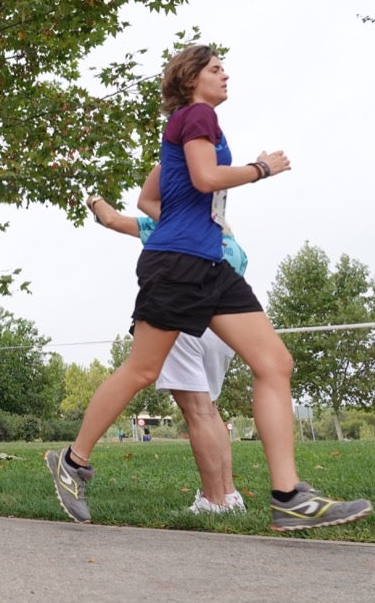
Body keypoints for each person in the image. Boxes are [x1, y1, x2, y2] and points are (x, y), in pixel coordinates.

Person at [46, 44, 372, 531]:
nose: (225, 75)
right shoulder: (197, 115)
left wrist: (182, 219)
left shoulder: (194, 125)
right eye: (216, 68)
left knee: (275, 363)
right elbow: (204, 179)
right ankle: (72, 463)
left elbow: (167, 192)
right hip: (177, 265)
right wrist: (262, 169)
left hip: (212, 265)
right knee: (142, 369)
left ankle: (288, 495)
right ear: (191, 77)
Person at [87, 190, 247, 513]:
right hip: (225, 327)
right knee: (211, 410)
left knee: (197, 412)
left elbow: (112, 219)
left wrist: (93, 199)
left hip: (184, 318)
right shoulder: (222, 231)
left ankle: (212, 501)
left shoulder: (171, 223)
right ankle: (229, 496)